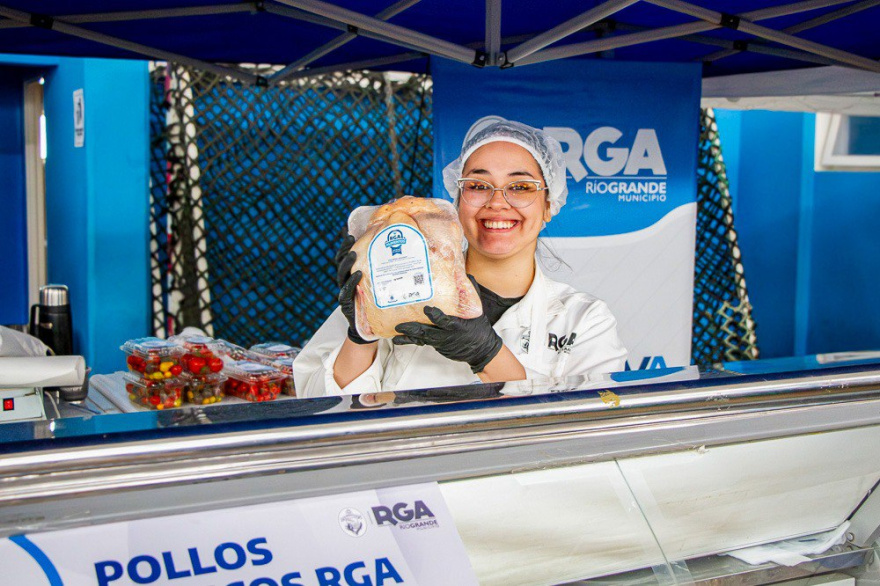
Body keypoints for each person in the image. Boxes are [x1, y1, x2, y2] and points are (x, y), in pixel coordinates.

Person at [293, 116, 627, 397]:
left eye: (520, 187)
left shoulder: (584, 320)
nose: (497, 202)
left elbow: (591, 427)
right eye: (478, 186)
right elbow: (317, 402)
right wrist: (362, 331)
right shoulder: (393, 287)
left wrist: (487, 354)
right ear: (457, 202)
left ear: (549, 205)